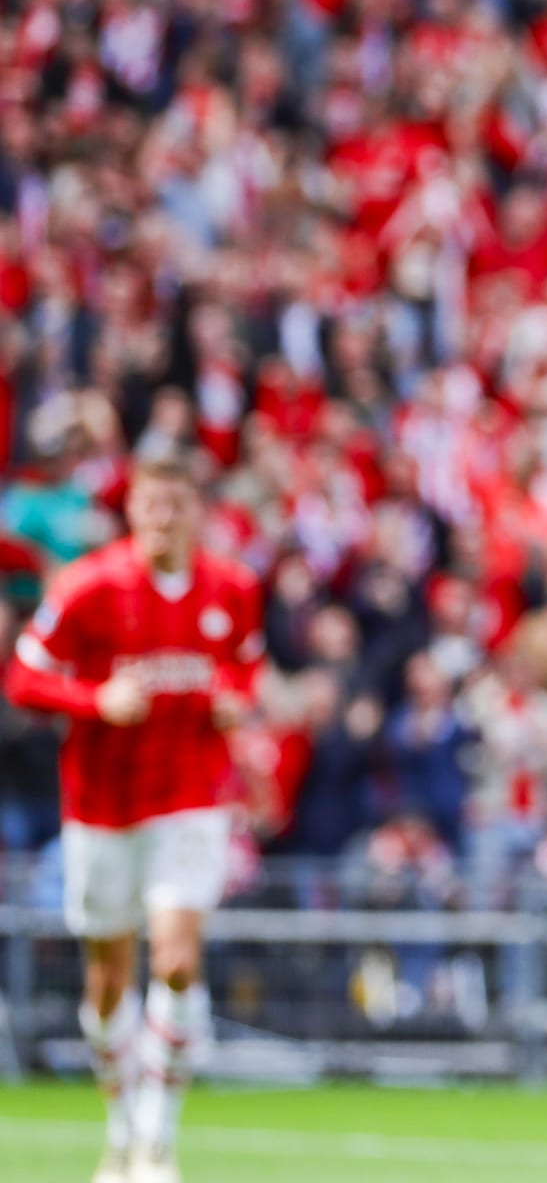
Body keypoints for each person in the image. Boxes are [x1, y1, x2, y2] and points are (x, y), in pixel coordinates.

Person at [4, 450, 262, 1183]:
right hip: (101, 805)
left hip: (188, 798)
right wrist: (95, 702)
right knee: (109, 981)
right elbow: (22, 676)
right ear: (132, 509)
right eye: (151, 504)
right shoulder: (88, 588)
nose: (162, 518)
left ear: (197, 510)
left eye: (176, 504)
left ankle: (156, 1138)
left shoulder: (233, 589)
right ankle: (119, 1129)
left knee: (178, 960)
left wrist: (238, 698)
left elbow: (246, 662)